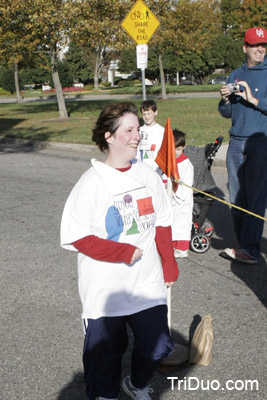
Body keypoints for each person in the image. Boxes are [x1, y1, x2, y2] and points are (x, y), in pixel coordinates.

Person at [60, 102, 179, 400]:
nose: (137, 135)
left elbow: (163, 223)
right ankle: (105, 395)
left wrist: (169, 262)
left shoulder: (148, 175)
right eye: (128, 130)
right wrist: (122, 252)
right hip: (105, 289)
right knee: (105, 354)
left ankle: (136, 384)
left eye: (138, 129)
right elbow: (77, 236)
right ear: (109, 137)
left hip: (146, 282)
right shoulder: (92, 183)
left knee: (158, 345)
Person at [218, 26, 267, 264]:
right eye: (255, 45)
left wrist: (253, 99)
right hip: (236, 142)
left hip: (260, 142)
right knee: (236, 197)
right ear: (245, 47)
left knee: (256, 197)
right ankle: (243, 245)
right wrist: (225, 100)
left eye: (264, 45)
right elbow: (226, 113)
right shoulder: (235, 74)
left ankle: (250, 249)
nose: (260, 49)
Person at [171, 130, 194, 258]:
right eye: (173, 149)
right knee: (171, 222)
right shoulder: (168, 161)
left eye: (178, 149)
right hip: (170, 199)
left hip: (181, 201)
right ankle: (172, 245)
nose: (175, 153)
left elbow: (186, 186)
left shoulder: (186, 165)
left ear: (183, 147)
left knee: (181, 224)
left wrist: (175, 187)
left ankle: (182, 248)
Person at [137, 99, 164, 174]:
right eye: (144, 114)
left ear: (155, 112)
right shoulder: (139, 131)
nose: (146, 117)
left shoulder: (162, 131)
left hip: (157, 170)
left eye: (149, 113)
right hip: (141, 170)